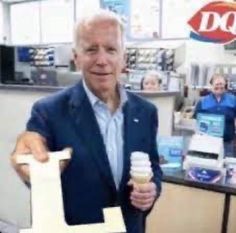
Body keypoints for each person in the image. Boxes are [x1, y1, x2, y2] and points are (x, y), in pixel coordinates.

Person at [11, 10, 162, 233]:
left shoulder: (146, 112)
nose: (102, 60)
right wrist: (29, 165)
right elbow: (35, 164)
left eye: (111, 49)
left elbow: (154, 166)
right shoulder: (49, 112)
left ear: (123, 56)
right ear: (76, 57)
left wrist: (152, 190)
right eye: (91, 49)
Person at [194, 74, 236, 157]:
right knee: (210, 166)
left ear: (225, 85)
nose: (219, 87)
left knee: (227, 166)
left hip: (227, 142)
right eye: (217, 84)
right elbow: (197, 120)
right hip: (208, 142)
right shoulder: (203, 101)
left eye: (221, 84)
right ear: (211, 86)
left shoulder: (233, 100)